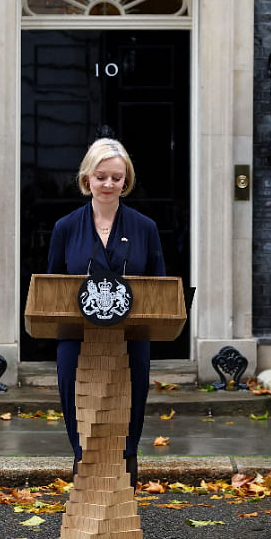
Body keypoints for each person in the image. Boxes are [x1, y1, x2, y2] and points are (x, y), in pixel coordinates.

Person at [46, 138, 166, 487]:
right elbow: (51, 288)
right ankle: (85, 478)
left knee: (127, 411)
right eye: (102, 177)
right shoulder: (66, 227)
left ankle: (124, 481)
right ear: (87, 179)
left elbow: (160, 288)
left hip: (131, 339)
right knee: (79, 408)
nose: (109, 184)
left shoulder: (145, 228)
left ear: (125, 181)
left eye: (117, 177)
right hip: (77, 338)